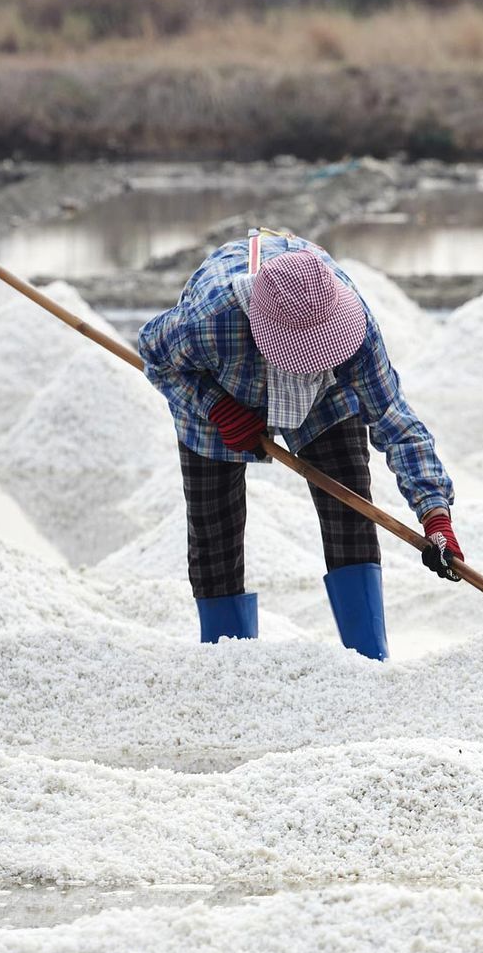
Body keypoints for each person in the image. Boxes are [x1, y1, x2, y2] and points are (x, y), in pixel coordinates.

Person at [138, 230, 462, 660]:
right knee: (214, 526)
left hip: (325, 400)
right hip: (224, 382)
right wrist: (216, 407)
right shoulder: (209, 322)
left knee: (348, 502)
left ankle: (368, 659)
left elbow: (394, 420)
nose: (310, 364)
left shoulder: (352, 329)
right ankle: (224, 661)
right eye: (303, 355)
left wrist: (435, 515)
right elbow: (155, 356)